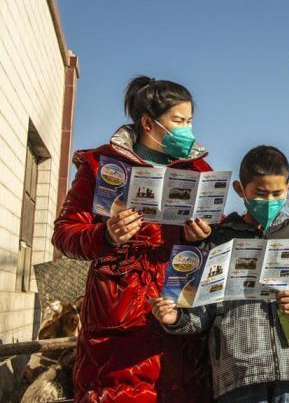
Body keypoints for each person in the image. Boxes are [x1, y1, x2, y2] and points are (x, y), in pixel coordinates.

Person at [52, 76, 214, 402]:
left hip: (178, 311)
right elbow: (65, 233)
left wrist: (203, 236)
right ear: (148, 124)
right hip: (118, 321)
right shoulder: (101, 166)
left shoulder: (199, 171)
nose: (187, 130)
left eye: (190, 121)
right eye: (178, 121)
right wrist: (105, 234)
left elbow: (215, 236)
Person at [150, 145, 289, 403]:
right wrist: (177, 317)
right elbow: (203, 306)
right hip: (239, 372)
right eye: (260, 193)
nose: (269, 201)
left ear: (288, 189)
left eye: (277, 193)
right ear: (240, 189)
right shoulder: (218, 240)